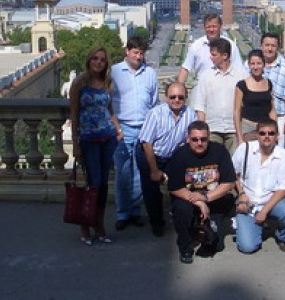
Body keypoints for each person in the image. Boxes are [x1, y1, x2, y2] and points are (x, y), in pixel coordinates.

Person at [69, 47, 122, 245]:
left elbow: (109, 110)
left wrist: (117, 130)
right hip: (89, 140)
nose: (98, 62)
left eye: (102, 60)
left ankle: (98, 223)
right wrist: (75, 143)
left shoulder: (107, 83)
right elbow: (74, 114)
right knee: (93, 183)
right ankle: (85, 223)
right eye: (95, 58)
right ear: (89, 60)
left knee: (104, 184)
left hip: (107, 138)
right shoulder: (79, 83)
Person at [167, 120, 236, 264]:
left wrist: (206, 198)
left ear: (209, 137)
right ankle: (185, 246)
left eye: (203, 139)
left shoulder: (219, 151)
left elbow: (228, 182)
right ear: (188, 139)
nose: (199, 143)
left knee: (215, 245)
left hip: (213, 198)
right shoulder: (180, 154)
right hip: (187, 198)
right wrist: (199, 202)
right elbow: (175, 188)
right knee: (182, 210)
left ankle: (202, 227)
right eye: (195, 139)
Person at [135, 82, 197, 237]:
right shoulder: (155, 114)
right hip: (149, 153)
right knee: (152, 192)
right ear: (166, 97)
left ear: (186, 98)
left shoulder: (190, 115)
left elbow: (190, 141)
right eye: (172, 97)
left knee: (177, 188)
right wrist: (154, 170)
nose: (176, 100)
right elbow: (146, 143)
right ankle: (157, 223)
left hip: (171, 155)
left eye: (180, 97)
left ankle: (180, 220)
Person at [111, 36, 159, 230]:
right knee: (123, 173)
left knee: (140, 173)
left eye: (141, 53)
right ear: (127, 51)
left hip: (144, 129)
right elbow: (107, 101)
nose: (138, 56)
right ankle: (123, 213)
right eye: (135, 52)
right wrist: (116, 127)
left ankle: (135, 211)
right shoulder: (114, 72)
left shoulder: (150, 73)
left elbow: (154, 103)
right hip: (122, 128)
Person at [232, 119, 285, 254]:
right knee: (247, 247)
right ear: (257, 135)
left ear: (277, 136)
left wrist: (264, 211)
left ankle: (282, 237)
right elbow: (232, 174)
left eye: (271, 133)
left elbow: (283, 188)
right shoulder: (244, 149)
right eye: (262, 133)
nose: (266, 136)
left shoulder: (284, 155)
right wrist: (241, 194)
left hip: (271, 200)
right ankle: (253, 226)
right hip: (248, 202)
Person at [193, 37, 248, 153]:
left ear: (225, 55)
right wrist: (202, 130)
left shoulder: (242, 76)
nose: (210, 57)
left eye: (214, 55)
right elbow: (200, 105)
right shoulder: (206, 76)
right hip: (213, 129)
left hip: (234, 130)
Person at [177, 12, 243, 84]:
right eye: (208, 27)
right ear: (204, 27)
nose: (211, 30)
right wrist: (178, 87)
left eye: (214, 26)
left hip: (225, 85)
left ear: (220, 26)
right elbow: (185, 68)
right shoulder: (196, 46)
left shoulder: (231, 45)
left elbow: (238, 68)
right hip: (202, 86)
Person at [234, 49, 276, 144]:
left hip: (265, 128)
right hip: (248, 127)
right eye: (253, 64)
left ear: (264, 64)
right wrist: (239, 137)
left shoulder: (269, 83)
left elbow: (272, 109)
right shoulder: (242, 85)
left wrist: (274, 129)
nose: (256, 67)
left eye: (259, 63)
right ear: (249, 65)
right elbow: (237, 111)